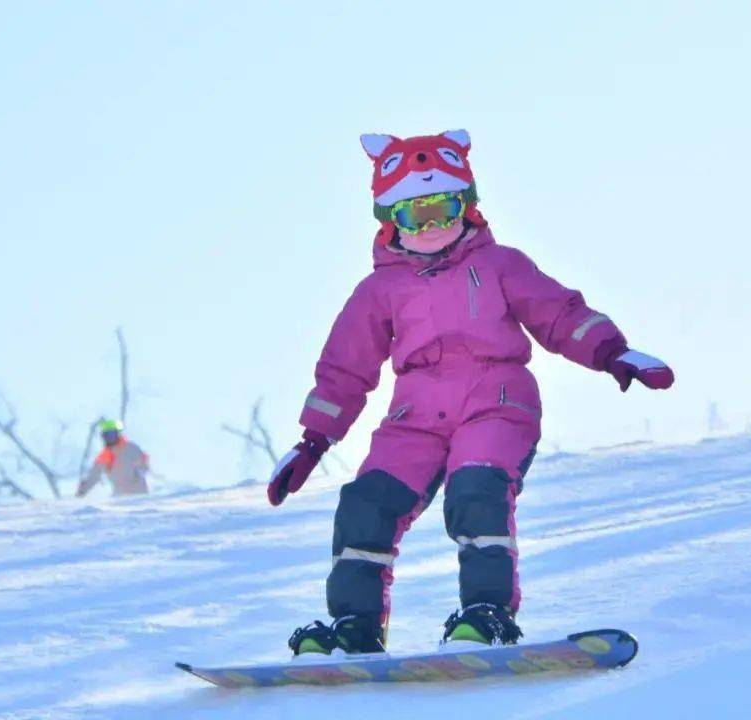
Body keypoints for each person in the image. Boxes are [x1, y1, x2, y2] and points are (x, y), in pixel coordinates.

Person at [267, 129, 674, 658]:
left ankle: (488, 614)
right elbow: (346, 367)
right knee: (365, 505)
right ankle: (355, 627)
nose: (435, 225)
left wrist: (610, 351)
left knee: (477, 491)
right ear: (391, 220)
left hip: (496, 401)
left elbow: (558, 313)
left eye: (447, 208)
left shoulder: (500, 264)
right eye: (418, 215)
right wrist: (314, 440)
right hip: (414, 417)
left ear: (469, 205)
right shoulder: (379, 291)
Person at [76, 419, 150, 497]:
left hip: (139, 494)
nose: (110, 438)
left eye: (112, 434)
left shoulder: (131, 448)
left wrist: (141, 470)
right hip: (119, 496)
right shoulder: (104, 456)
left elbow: (144, 465)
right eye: (107, 435)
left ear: (118, 434)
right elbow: (94, 476)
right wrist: (83, 490)